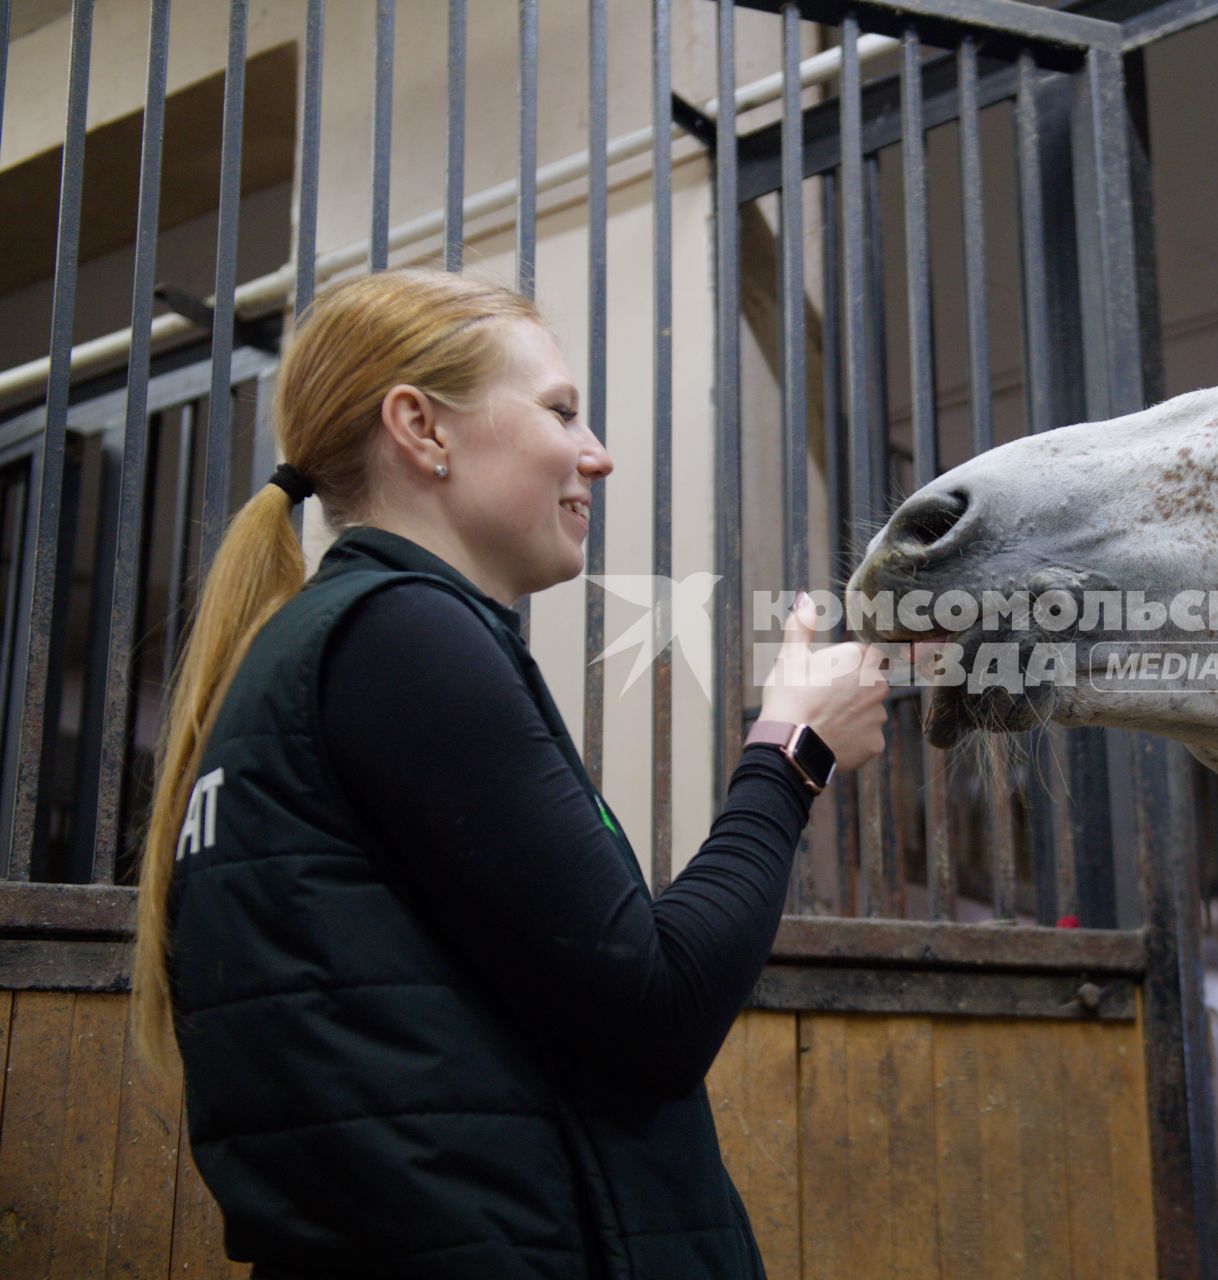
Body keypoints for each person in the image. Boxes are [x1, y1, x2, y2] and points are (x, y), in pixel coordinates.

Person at [130, 268, 890, 1279]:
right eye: (561, 410)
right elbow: (656, 1013)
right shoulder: (401, 635)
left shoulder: (323, 648)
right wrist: (794, 749)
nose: (597, 453)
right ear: (421, 428)